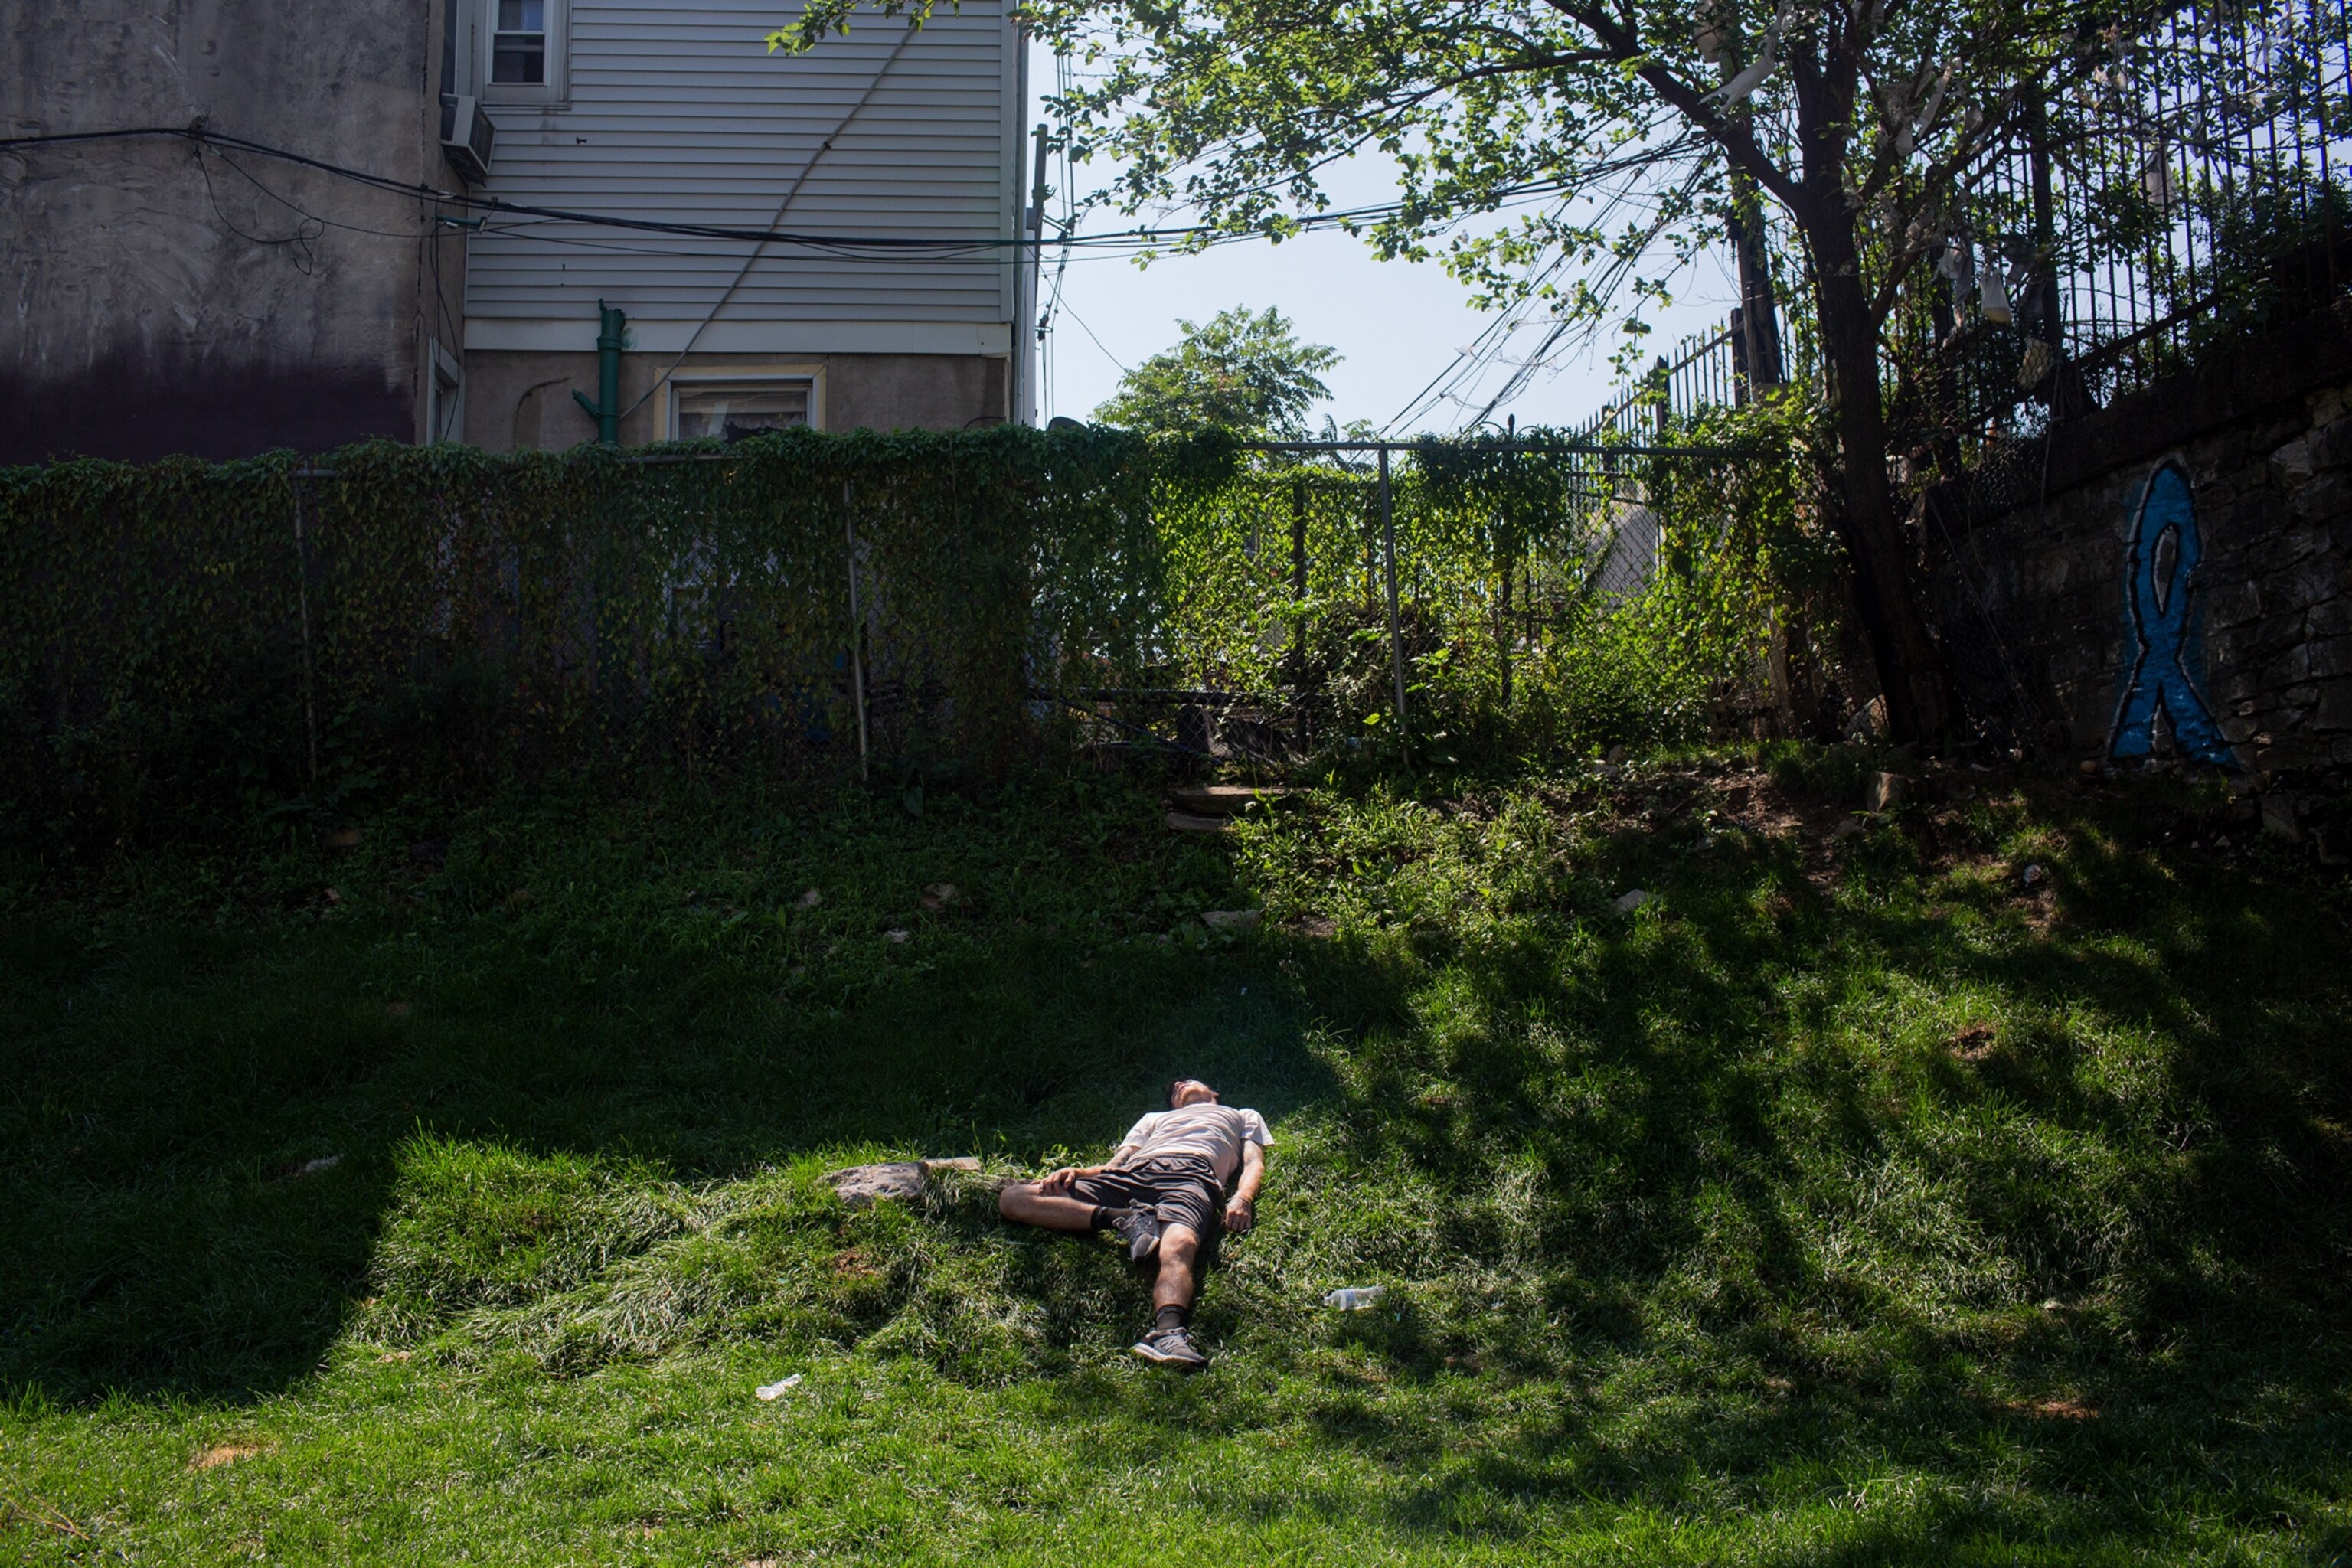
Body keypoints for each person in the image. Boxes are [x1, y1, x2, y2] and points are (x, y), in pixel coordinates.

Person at [997, 1078, 1271, 1369]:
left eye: (1185, 1080)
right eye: (1173, 1090)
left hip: (1193, 1176)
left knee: (1181, 1244)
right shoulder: (1155, 1118)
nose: (1178, 1084)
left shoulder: (1243, 1114)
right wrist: (1078, 1171)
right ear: (1173, 1105)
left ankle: (1167, 1333)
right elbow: (1118, 1163)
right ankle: (1125, 1219)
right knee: (1014, 1198)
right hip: (1135, 1172)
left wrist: (1242, 1198)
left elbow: (1253, 1162)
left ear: (1214, 1092)